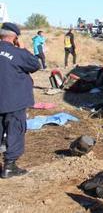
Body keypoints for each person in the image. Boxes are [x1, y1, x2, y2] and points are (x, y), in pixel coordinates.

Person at [0, 22, 40, 178]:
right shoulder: (17, 53)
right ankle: (9, 167)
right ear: (15, 37)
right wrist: (22, 47)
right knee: (15, 131)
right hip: (14, 101)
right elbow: (35, 64)